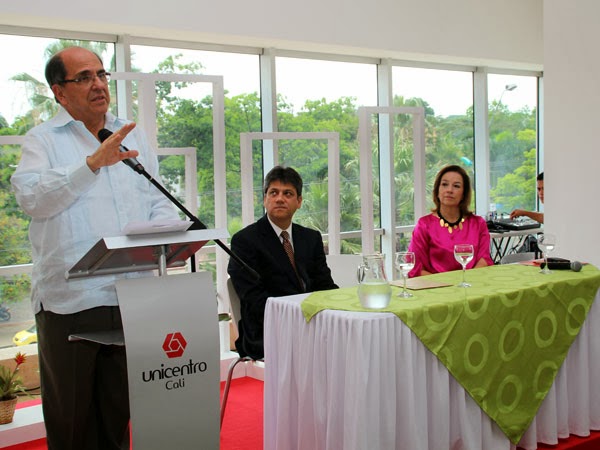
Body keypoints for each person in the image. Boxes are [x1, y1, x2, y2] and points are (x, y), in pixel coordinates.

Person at [10, 46, 179, 450]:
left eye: (101, 74)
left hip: (130, 294)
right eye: (84, 77)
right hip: (72, 300)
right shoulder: (43, 140)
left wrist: (167, 231)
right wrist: (91, 164)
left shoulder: (131, 134)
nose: (98, 84)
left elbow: (156, 198)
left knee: (117, 415)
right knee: (73, 420)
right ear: (59, 91)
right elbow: (32, 199)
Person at [227, 165, 338, 360]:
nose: (280, 199)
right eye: (273, 193)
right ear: (265, 199)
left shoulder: (310, 238)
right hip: (268, 330)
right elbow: (254, 300)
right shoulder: (245, 241)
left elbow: (324, 285)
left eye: (288, 193)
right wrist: (300, 319)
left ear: (299, 201)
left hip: (311, 324)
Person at [408, 164, 493, 277]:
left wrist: (468, 281)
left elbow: (484, 259)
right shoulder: (424, 225)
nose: (449, 190)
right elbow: (415, 268)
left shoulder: (478, 223)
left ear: (464, 194)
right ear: (437, 191)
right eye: (444, 184)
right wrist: (446, 284)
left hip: (472, 283)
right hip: (436, 286)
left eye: (456, 186)